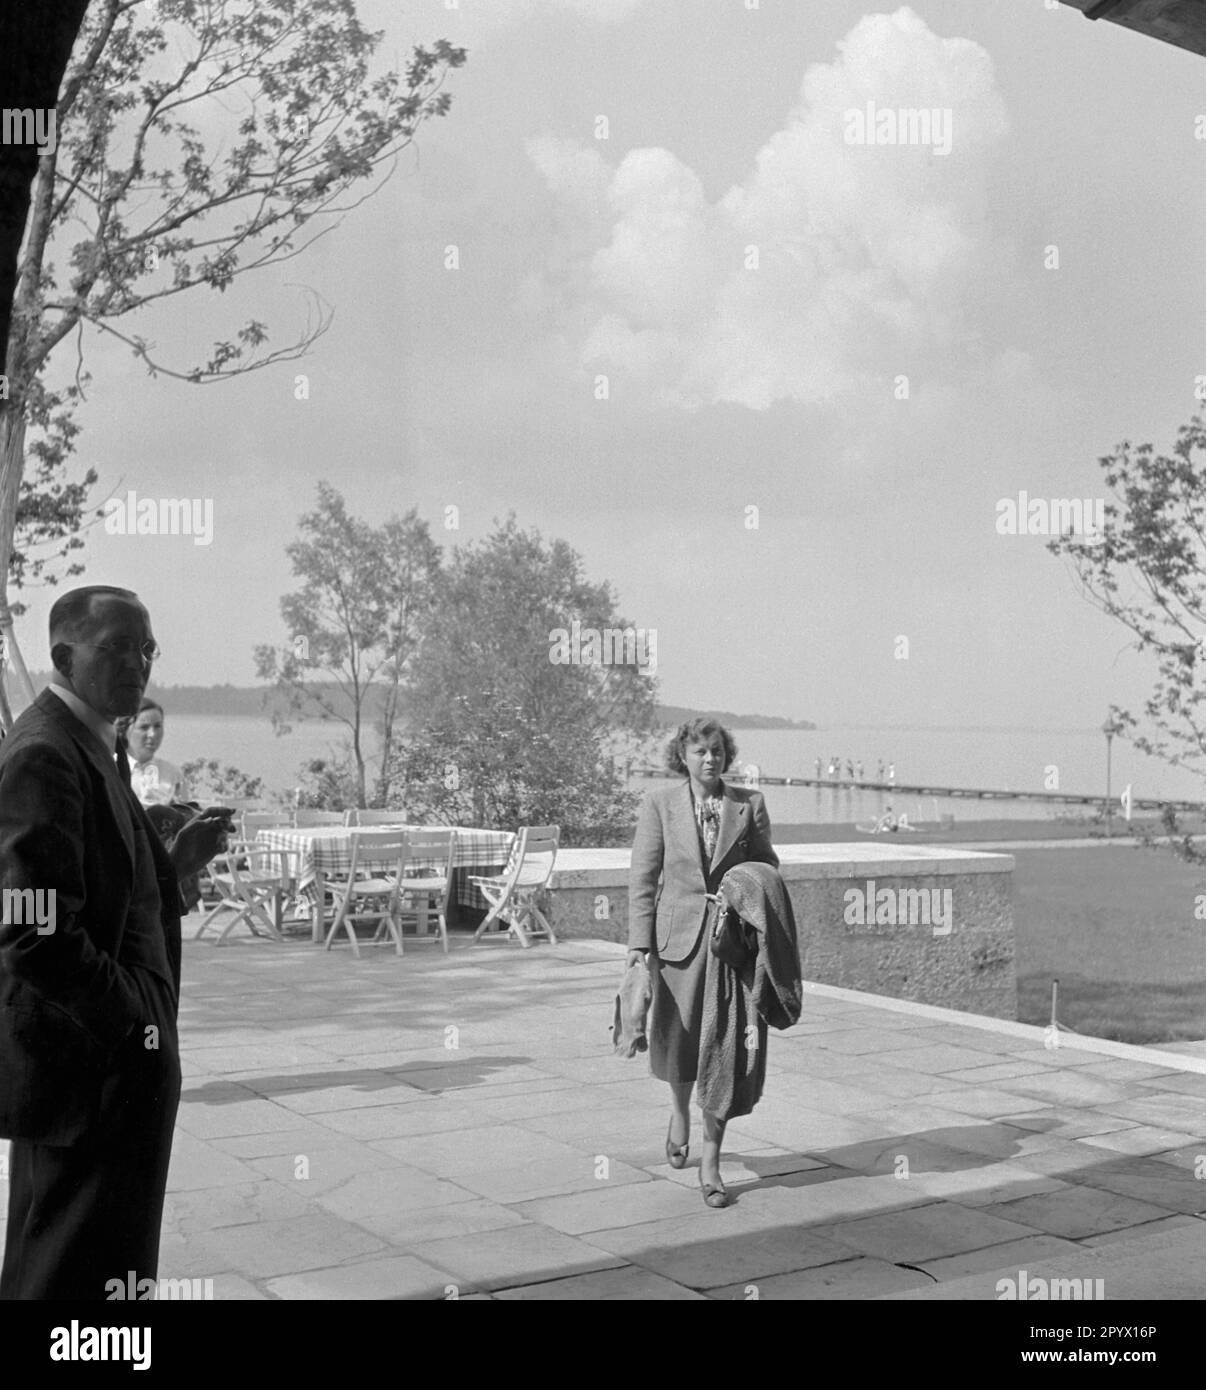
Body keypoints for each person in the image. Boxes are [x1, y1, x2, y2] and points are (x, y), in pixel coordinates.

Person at [0, 585, 230, 1299]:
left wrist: (175, 865)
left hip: (110, 1078)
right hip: (88, 1077)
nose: (137, 664)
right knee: (64, 1274)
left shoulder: (93, 744)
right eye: (116, 648)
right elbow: (32, 930)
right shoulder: (45, 754)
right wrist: (136, 1025)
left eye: (146, 649)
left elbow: (106, 895)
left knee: (103, 1269)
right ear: (63, 655)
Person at [627, 718, 778, 1209]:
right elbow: (643, 881)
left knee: (726, 1051)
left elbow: (767, 868)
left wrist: (743, 894)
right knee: (679, 1043)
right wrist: (637, 950)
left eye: (716, 751)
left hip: (731, 945)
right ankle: (679, 1112)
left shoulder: (748, 805)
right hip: (677, 946)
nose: (709, 759)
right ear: (683, 756)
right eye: (699, 751)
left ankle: (711, 1161)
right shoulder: (659, 805)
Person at [126, 697, 189, 806]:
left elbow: (186, 815)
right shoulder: (112, 770)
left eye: (157, 726)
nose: (152, 734)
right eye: (144, 727)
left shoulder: (173, 774)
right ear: (126, 729)